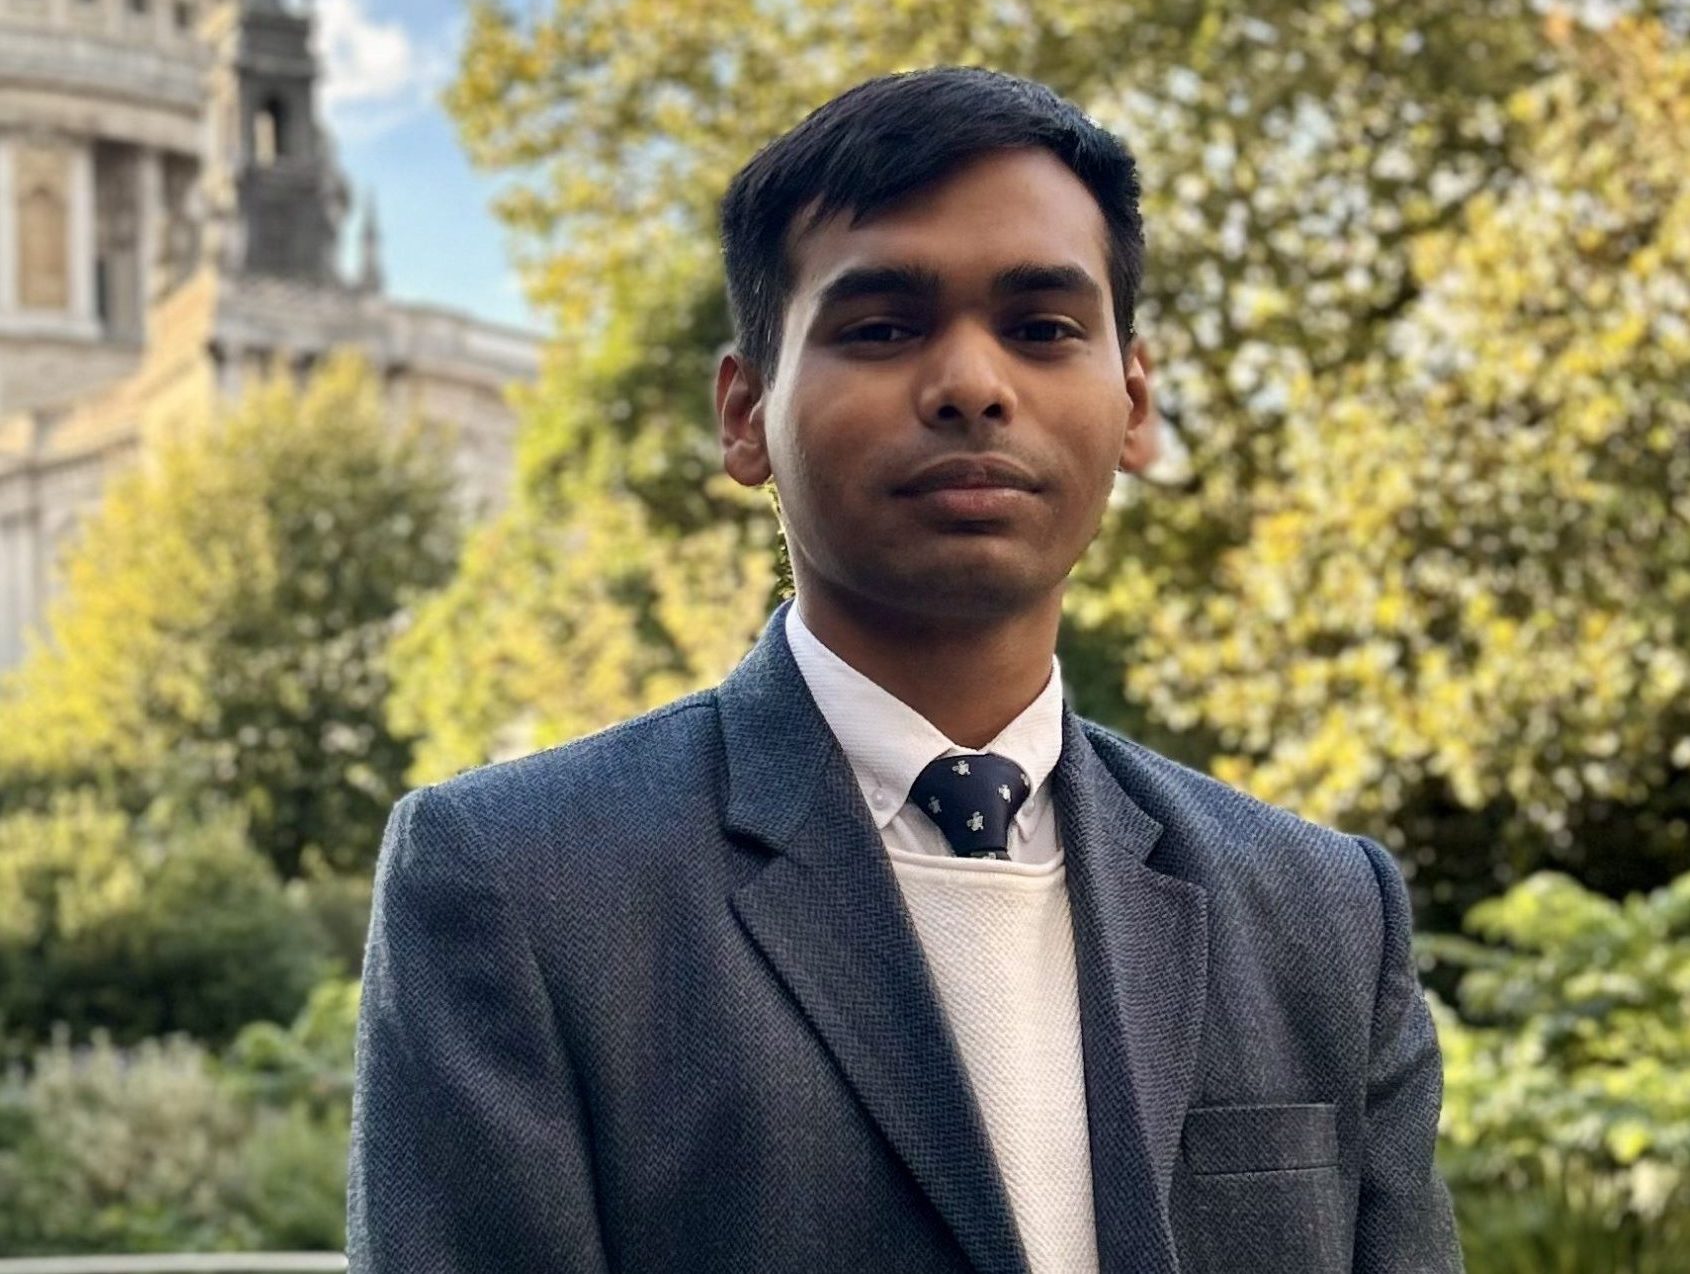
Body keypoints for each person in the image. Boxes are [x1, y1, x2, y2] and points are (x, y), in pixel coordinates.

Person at [346, 67, 1463, 1274]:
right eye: (881, 327)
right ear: (744, 413)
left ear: (1134, 404)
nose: (972, 384)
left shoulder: (1320, 911)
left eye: (1041, 328)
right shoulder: (520, 884)